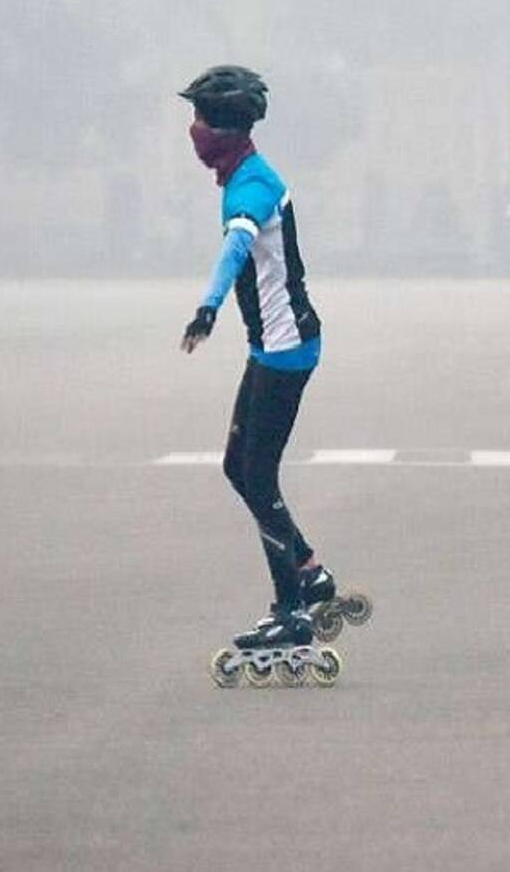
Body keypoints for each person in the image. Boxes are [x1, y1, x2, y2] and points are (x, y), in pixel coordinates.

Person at [176, 65, 339, 655]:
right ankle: (309, 571)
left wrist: (208, 307)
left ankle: (291, 610)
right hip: (270, 345)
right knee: (236, 467)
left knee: (259, 474)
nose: (193, 130)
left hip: (286, 349)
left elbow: (236, 246)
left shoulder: (251, 188)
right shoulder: (245, 173)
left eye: (200, 118)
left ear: (223, 129)